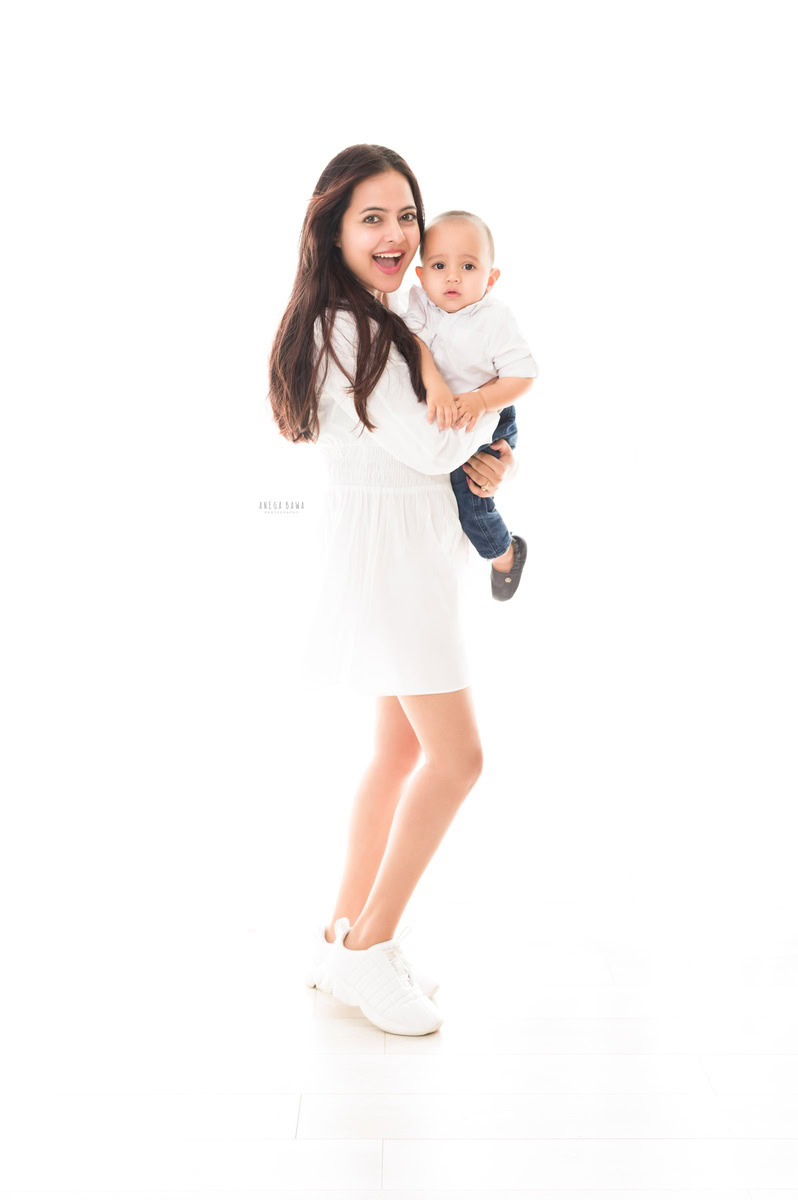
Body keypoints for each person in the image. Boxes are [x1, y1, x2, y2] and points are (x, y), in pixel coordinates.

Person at [268, 145, 517, 1037]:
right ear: (332, 228)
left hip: (399, 552)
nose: (398, 234)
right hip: (396, 564)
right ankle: (371, 948)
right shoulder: (355, 326)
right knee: (458, 759)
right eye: (372, 216)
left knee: (400, 753)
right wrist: (499, 415)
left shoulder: (376, 313)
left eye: (406, 215)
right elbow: (431, 445)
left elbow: (434, 440)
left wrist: (484, 439)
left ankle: (343, 934)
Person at [399, 209, 539, 600]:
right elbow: (413, 344)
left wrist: (480, 399)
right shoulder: (420, 305)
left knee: (471, 502)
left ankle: (505, 553)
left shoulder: (494, 318)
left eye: (468, 266)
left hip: (492, 411)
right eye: (440, 265)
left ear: (491, 279)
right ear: (422, 275)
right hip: (451, 409)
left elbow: (523, 375)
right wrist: (438, 386)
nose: (453, 276)